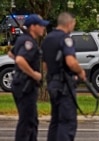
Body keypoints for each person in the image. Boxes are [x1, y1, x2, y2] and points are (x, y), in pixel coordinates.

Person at [41, 12, 86, 141]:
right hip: (64, 85)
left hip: (52, 84)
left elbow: (45, 66)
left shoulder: (47, 39)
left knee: (55, 121)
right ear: (69, 23)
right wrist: (80, 72)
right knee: (67, 122)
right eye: (73, 24)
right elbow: (71, 62)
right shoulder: (66, 39)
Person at [8, 14, 49, 141]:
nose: (43, 28)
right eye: (41, 25)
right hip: (26, 85)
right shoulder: (28, 42)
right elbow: (20, 59)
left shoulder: (23, 39)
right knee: (26, 122)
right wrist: (33, 73)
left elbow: (11, 54)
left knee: (32, 121)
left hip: (22, 84)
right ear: (33, 27)